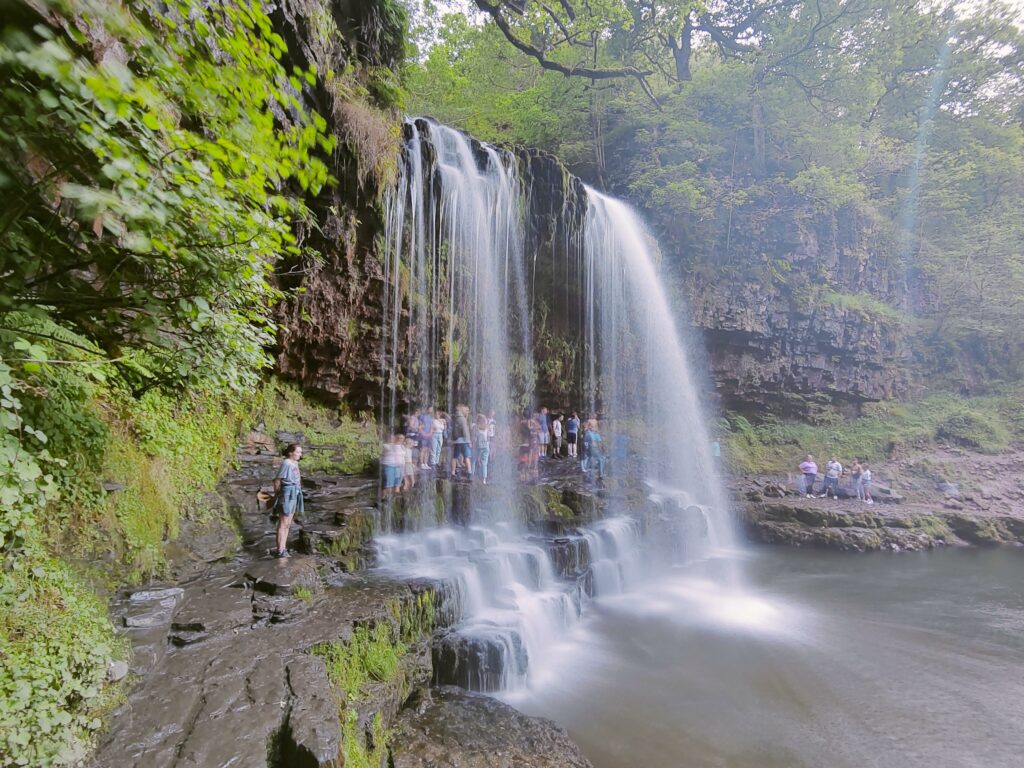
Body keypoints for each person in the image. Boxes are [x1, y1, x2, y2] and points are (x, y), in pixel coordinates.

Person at [273, 444, 303, 558]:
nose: (300, 454)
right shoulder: (286, 463)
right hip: (286, 494)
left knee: (288, 523)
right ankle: (280, 550)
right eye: (298, 452)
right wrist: (277, 494)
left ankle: (283, 548)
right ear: (291, 453)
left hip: (294, 493)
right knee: (283, 523)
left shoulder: (295, 463)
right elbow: (277, 480)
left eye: (300, 452)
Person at [451, 405, 473, 479]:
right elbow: (465, 431)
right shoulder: (462, 419)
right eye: (466, 411)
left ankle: (453, 472)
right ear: (462, 410)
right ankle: (469, 473)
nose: (468, 412)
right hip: (464, 441)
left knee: (455, 457)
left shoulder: (455, 418)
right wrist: (469, 441)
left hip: (457, 441)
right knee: (467, 457)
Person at [381, 433, 404, 497]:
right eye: (391, 438)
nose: (393, 439)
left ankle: (392, 496)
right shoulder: (385, 445)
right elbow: (390, 449)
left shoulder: (398, 446)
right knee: (388, 481)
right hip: (388, 465)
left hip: (396, 466)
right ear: (387, 439)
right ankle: (385, 496)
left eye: (394, 438)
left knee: (396, 481)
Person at [474, 414, 490, 484]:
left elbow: (475, 439)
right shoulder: (486, 428)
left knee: (476, 461)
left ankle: (474, 476)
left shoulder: (477, 429)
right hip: (486, 446)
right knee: (484, 463)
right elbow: (488, 438)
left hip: (479, 447)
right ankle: (484, 479)